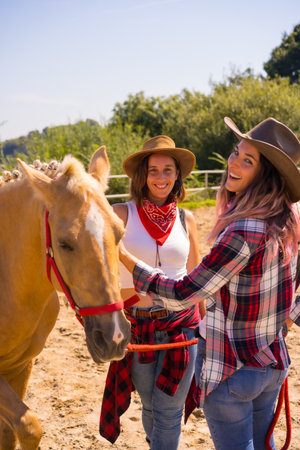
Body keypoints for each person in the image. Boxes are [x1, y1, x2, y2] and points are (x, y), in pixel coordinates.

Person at [119, 117, 300, 450]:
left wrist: (127, 259)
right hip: (273, 361)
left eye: (249, 161)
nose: (234, 163)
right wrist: (288, 317)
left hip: (233, 368)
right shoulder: (292, 216)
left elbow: (183, 293)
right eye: (236, 153)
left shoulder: (242, 230)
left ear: (266, 173)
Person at [100, 135, 205, 449]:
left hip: (182, 327)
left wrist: (204, 325)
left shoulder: (188, 220)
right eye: (154, 170)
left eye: (168, 170)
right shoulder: (119, 215)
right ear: (141, 176)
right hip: (138, 325)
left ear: (177, 175)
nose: (161, 177)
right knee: (150, 405)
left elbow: (195, 277)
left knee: (170, 411)